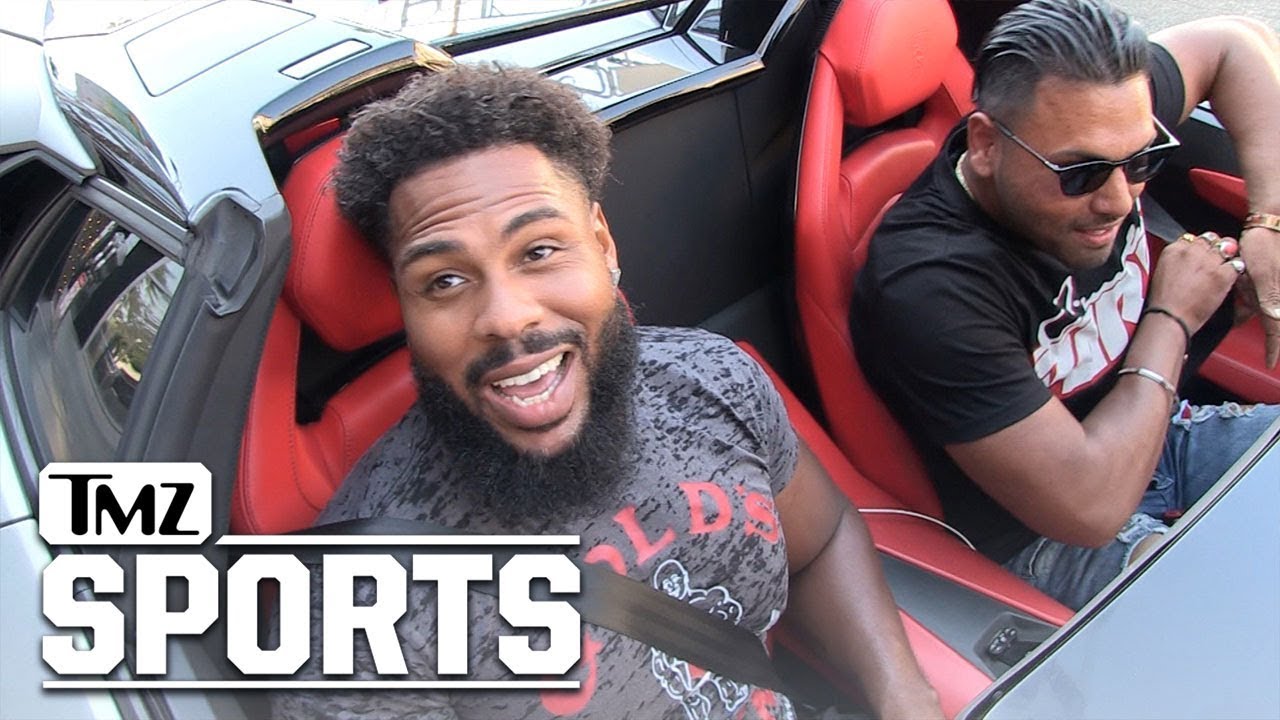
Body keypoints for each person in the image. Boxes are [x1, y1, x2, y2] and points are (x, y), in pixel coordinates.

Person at [271, 64, 942, 719]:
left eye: (539, 251)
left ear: (601, 242)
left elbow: (823, 538)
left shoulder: (712, 377)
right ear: (405, 305)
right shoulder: (358, 609)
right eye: (444, 281)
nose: (508, 317)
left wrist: (903, 695)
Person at [851, 0, 1280, 611]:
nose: (1120, 200)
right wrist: (1172, 317)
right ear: (986, 145)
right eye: (1081, 173)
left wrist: (1268, 220)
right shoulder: (931, 285)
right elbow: (1090, 509)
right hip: (1041, 532)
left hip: (1156, 431)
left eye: (1142, 160)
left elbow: (1237, 44)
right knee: (1226, 612)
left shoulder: (1099, 115)